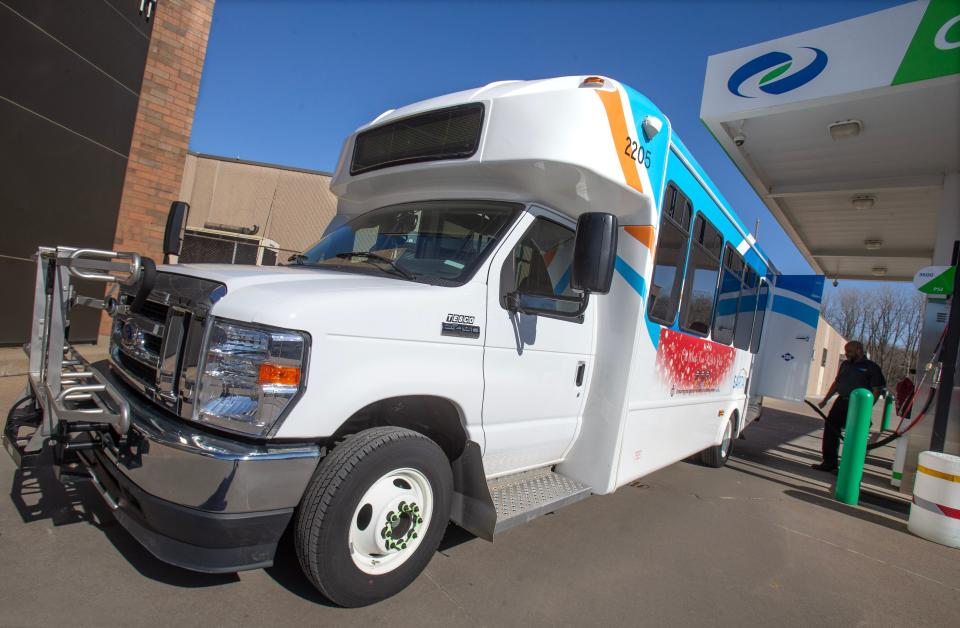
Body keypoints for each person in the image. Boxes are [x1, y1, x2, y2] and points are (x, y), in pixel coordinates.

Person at [812, 341, 885, 472]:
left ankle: (849, 468)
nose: (846, 354)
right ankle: (829, 463)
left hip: (858, 406)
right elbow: (837, 383)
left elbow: (876, 390)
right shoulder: (845, 365)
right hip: (841, 402)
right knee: (830, 431)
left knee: (854, 436)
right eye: (846, 351)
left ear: (858, 350)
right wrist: (825, 400)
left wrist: (866, 409)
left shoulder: (872, 367)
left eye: (849, 351)